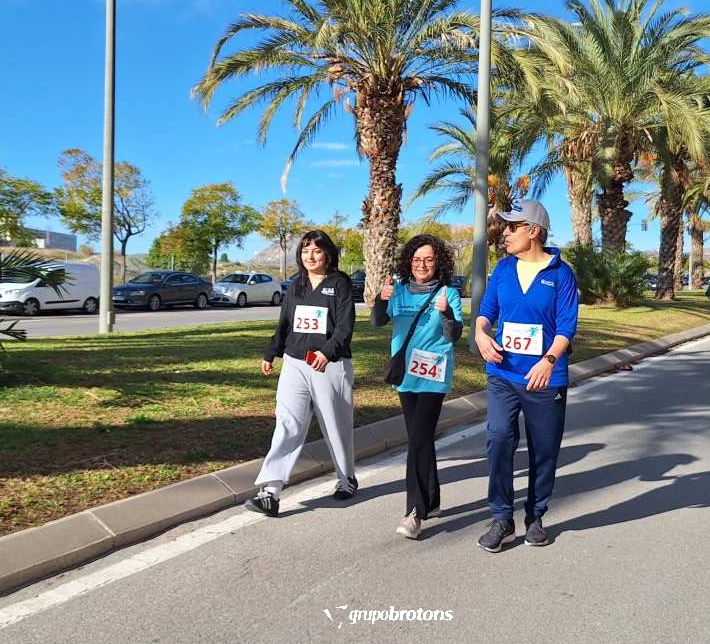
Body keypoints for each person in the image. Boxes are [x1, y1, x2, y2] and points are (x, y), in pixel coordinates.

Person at [473, 200, 579, 553]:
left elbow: (566, 325)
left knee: (543, 450)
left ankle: (535, 516)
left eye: (512, 226)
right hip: (503, 373)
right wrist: (481, 333)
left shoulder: (561, 274)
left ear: (533, 231)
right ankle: (502, 518)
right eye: (505, 226)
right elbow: (487, 310)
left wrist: (549, 360)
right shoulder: (504, 269)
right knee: (498, 439)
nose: (504, 232)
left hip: (544, 379)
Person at [245, 230, 358, 517]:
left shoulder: (340, 283)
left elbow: (345, 326)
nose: (310, 256)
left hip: (329, 365)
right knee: (287, 424)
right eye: (305, 250)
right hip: (295, 363)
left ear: (327, 254)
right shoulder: (296, 284)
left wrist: (327, 353)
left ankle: (347, 478)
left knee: (336, 426)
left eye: (317, 250)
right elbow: (285, 324)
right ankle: (270, 493)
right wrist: (271, 352)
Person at [371, 234, 464, 539]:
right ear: (409, 262)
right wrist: (381, 298)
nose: (422, 265)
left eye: (429, 259)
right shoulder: (397, 290)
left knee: (419, 439)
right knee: (419, 439)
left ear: (439, 263)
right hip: (406, 375)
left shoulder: (448, 293)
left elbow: (454, 335)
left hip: (433, 375)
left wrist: (446, 313)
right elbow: (377, 322)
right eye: (416, 259)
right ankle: (432, 501)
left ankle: (415, 511)